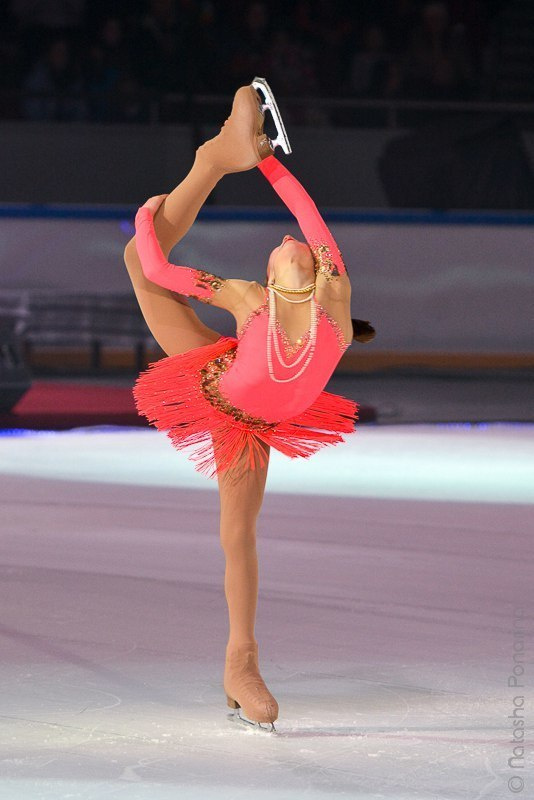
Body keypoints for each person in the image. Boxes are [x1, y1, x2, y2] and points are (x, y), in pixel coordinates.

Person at [123, 78, 373, 732]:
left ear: (312, 272)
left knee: (238, 535)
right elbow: (157, 268)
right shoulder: (245, 299)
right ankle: (211, 159)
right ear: (270, 277)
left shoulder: (334, 303)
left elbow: (312, 218)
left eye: (295, 247)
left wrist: (265, 161)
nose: (289, 241)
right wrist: (147, 219)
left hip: (251, 423)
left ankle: (240, 661)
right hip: (212, 377)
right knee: (133, 256)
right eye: (280, 246)